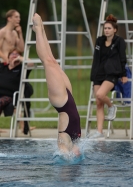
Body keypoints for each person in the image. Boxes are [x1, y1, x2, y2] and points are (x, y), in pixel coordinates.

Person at [32, 13, 81, 155]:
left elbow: (63, 157)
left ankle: (38, 30)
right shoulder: (74, 144)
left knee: (47, 62)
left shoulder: (63, 144)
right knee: (52, 61)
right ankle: (39, 29)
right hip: (68, 100)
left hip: (62, 102)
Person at [89, 14, 128, 139]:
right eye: (105, 28)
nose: (106, 30)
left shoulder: (119, 41)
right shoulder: (100, 41)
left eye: (109, 28)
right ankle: (99, 132)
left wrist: (123, 74)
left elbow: (122, 58)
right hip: (98, 74)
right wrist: (93, 75)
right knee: (99, 103)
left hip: (112, 74)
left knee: (101, 95)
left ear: (115, 30)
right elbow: (97, 59)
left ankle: (112, 106)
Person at [0, 49, 35, 134]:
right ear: (8, 57)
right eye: (12, 54)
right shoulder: (2, 67)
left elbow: (31, 64)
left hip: (12, 96)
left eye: (17, 54)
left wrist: (20, 58)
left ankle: (24, 127)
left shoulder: (22, 69)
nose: (15, 55)